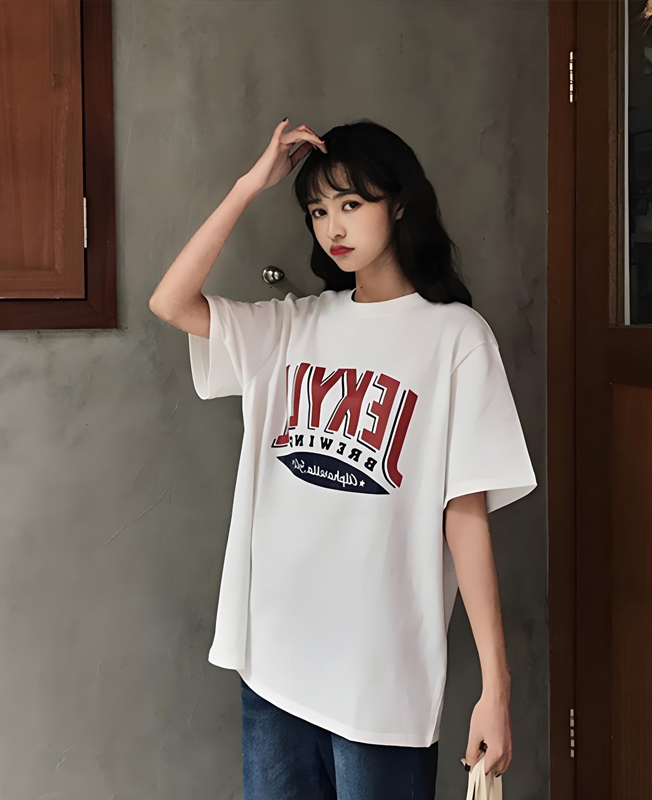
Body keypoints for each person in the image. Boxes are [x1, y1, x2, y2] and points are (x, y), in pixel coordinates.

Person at [148, 118, 537, 800]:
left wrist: (495, 687)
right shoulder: (294, 325)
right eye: (318, 210)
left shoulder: (456, 338)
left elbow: (464, 513)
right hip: (275, 665)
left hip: (380, 681)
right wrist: (249, 185)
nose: (333, 227)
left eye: (351, 204)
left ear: (400, 204)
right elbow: (170, 301)